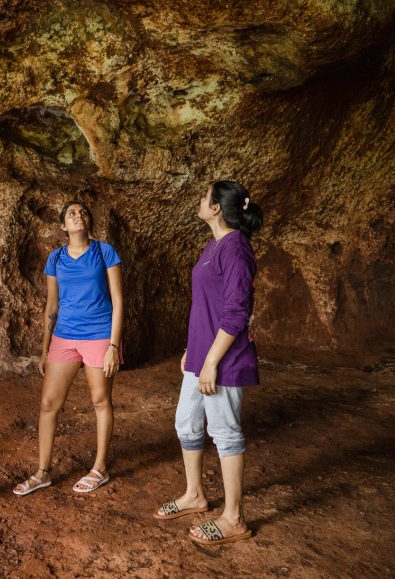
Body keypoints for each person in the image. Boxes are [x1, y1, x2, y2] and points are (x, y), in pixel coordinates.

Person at [154, 180, 263, 546]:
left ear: (216, 208)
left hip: (223, 359)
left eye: (205, 198)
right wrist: (193, 349)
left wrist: (212, 361)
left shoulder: (236, 249)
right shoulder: (213, 245)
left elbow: (236, 313)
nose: (200, 202)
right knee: (186, 423)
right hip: (202, 354)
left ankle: (234, 518)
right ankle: (194, 494)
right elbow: (206, 305)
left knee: (225, 432)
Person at [13, 201, 124, 496]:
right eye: (71, 213)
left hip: (99, 334)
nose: (78, 216)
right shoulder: (56, 258)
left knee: (100, 400)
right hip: (64, 337)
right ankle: (42, 472)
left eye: (83, 212)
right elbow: (52, 305)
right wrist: (45, 348)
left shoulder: (105, 252)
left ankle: (99, 468)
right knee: (49, 404)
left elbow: (118, 300)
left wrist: (114, 344)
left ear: (89, 221)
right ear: (63, 225)